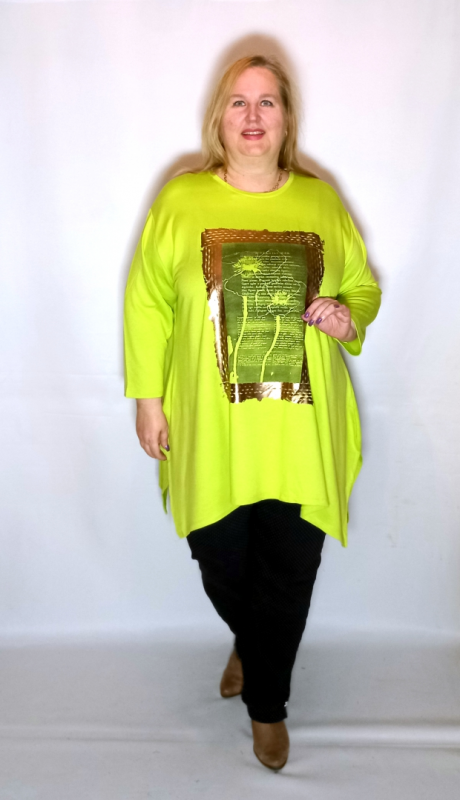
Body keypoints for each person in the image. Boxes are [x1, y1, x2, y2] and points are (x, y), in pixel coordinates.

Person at [123, 54, 381, 770]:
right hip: (213, 427)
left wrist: (346, 317)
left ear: (287, 118)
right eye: (239, 101)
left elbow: (362, 288)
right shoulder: (181, 201)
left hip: (300, 427)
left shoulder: (320, 203)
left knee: (291, 569)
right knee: (219, 554)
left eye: (268, 102)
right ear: (219, 117)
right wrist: (147, 400)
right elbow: (146, 305)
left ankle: (269, 706)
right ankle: (254, 638)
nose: (253, 116)